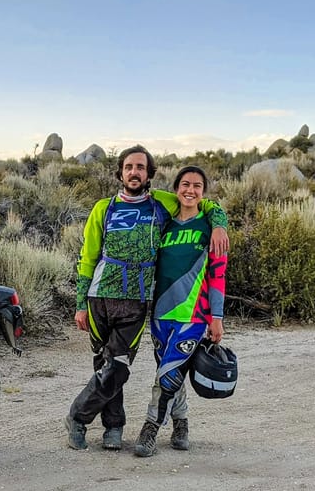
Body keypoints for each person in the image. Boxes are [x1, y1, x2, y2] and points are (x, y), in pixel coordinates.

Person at [65, 146, 229, 451]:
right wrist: (79, 304)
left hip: (137, 301)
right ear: (120, 172)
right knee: (104, 365)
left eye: (140, 167)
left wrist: (219, 224)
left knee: (118, 366)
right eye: (128, 167)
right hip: (99, 296)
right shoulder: (103, 208)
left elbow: (201, 203)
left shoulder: (162, 203)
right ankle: (113, 427)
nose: (134, 172)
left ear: (149, 173)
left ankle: (77, 417)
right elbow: (86, 258)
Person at [134, 165, 227, 457]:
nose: (190, 190)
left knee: (167, 375)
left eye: (197, 186)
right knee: (170, 370)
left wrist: (217, 317)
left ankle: (150, 428)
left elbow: (218, 275)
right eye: (185, 184)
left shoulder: (211, 230)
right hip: (161, 313)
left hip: (194, 316)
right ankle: (181, 422)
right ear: (176, 189)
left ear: (203, 193)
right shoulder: (165, 225)